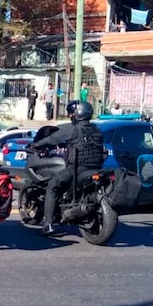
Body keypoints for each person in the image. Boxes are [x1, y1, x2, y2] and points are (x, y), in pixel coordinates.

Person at [28, 101, 105, 236]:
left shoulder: (72, 129)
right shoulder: (96, 130)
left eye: (71, 114)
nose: (70, 117)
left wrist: (36, 145)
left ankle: (48, 224)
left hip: (77, 169)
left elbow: (52, 139)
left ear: (77, 114)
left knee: (52, 187)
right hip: (96, 169)